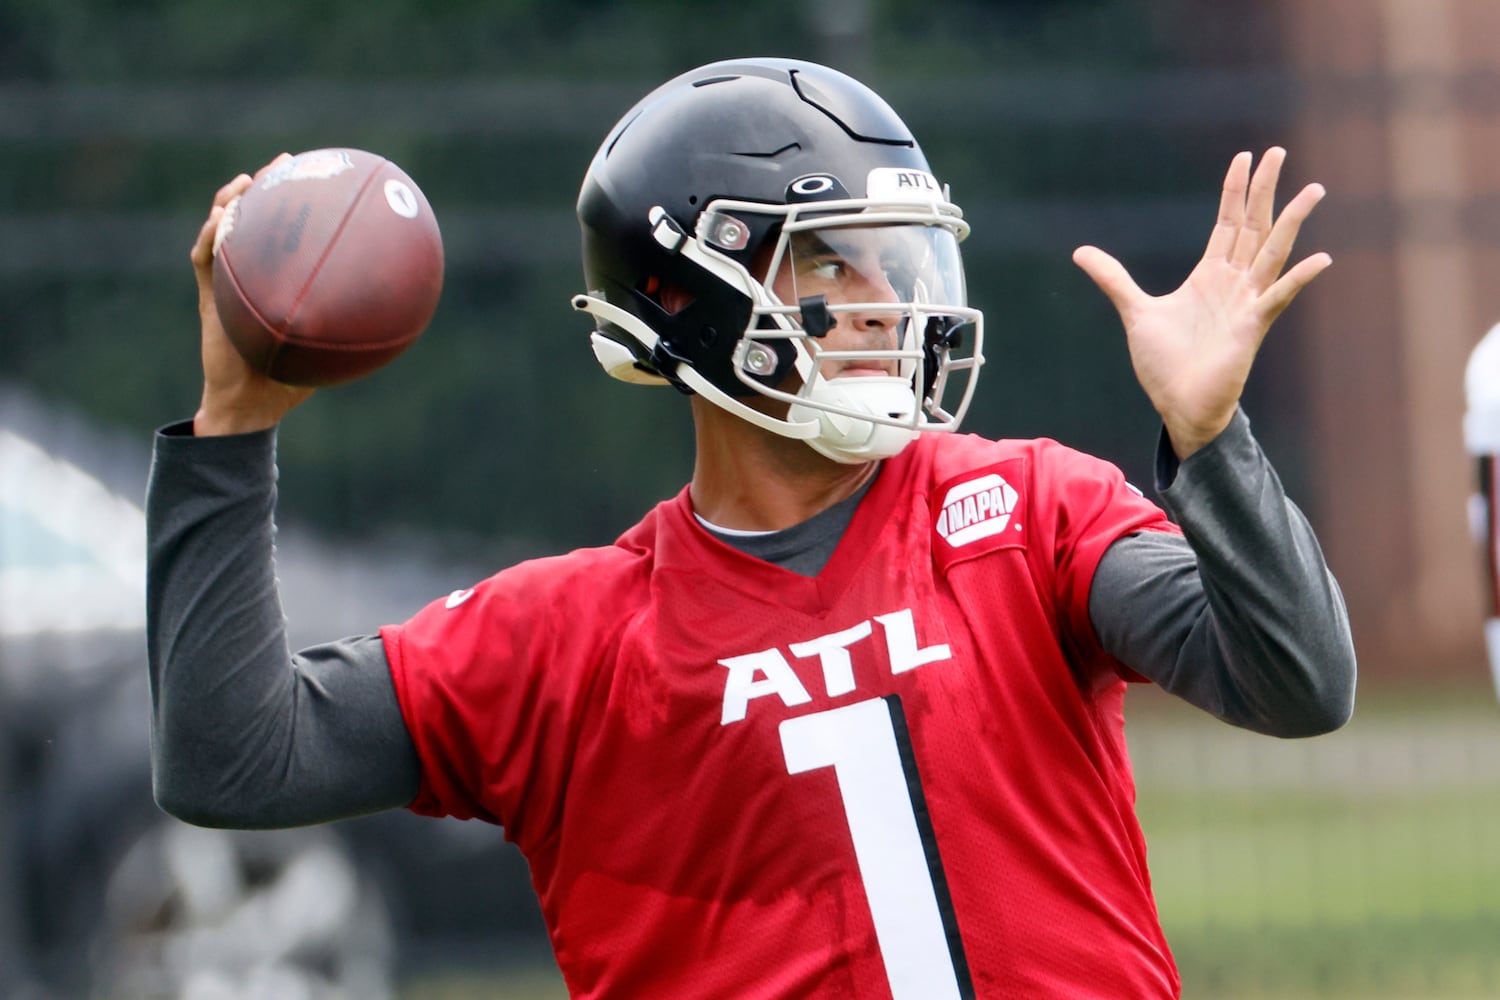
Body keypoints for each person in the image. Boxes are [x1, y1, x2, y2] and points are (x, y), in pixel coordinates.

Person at [147, 57, 1357, 999]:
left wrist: (1214, 443)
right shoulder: (564, 642)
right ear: (688, 297)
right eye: (835, 266)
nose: (895, 303)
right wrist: (235, 425)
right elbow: (231, 760)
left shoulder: (1022, 509)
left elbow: (1297, 681)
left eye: (901, 260)